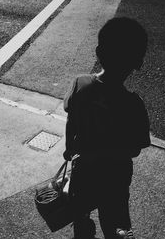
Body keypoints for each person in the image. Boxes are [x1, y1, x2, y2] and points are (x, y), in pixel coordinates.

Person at [63, 17, 151, 239]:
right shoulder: (133, 104)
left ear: (98, 52)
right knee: (117, 222)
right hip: (115, 176)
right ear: (138, 63)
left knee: (80, 210)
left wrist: (68, 147)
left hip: (84, 170)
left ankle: (83, 231)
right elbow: (134, 149)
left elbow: (71, 121)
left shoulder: (80, 85)